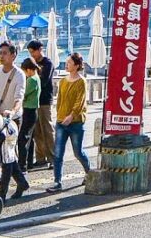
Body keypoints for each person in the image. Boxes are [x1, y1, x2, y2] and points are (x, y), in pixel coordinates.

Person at [47, 53, 91, 193]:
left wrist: (71, 116)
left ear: (77, 66)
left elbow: (80, 101)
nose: (66, 65)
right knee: (58, 153)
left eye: (69, 63)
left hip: (76, 122)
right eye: (66, 62)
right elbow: (59, 99)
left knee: (78, 152)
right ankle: (57, 182)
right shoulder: (63, 81)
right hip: (61, 121)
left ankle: (89, 172)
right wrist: (58, 115)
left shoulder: (81, 81)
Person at [0, 41, 27, 199]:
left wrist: (12, 111)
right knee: (7, 154)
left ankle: (2, 193)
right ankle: (22, 183)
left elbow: (19, 98)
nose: (1, 55)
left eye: (5, 53)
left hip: (12, 119)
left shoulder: (19, 75)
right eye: (0, 52)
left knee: (7, 155)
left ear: (13, 55)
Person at [25, 40, 55, 169]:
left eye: (33, 52)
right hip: (34, 101)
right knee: (37, 131)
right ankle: (41, 158)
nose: (32, 54)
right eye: (30, 52)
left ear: (40, 49)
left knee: (47, 129)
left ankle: (53, 158)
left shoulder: (47, 63)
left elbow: (43, 81)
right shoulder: (32, 63)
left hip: (45, 101)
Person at [18, 57, 40, 170]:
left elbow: (23, 94)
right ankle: (29, 162)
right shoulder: (36, 78)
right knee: (29, 138)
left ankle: (22, 165)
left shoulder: (32, 80)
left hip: (28, 110)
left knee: (23, 138)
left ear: (29, 69)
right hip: (33, 111)